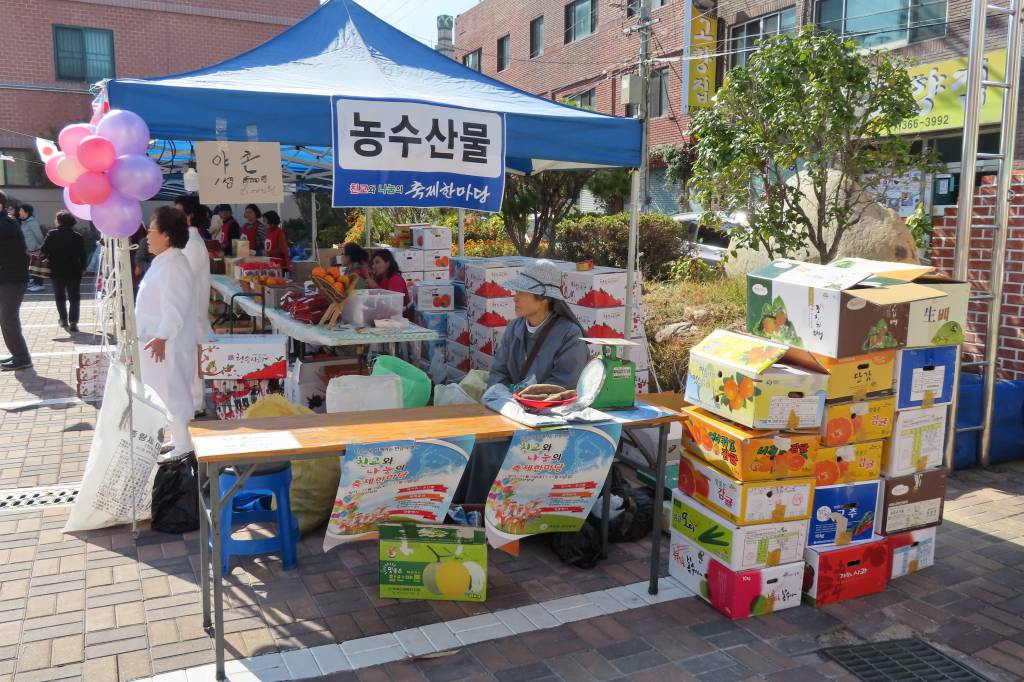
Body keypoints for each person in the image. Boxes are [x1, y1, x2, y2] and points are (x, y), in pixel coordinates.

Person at [455, 261, 590, 503]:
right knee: (470, 440)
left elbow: (562, 387)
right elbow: (499, 371)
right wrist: (506, 400)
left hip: (549, 422)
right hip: (511, 412)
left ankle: (484, 513)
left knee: (488, 450)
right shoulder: (515, 327)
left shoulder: (570, 334)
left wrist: (522, 404)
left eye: (521, 293)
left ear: (544, 299)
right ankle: (468, 509)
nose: (514, 298)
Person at [136, 207, 198, 461]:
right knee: (163, 392)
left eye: (151, 231)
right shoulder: (164, 261)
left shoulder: (174, 265)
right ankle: (177, 439)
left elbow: (175, 307)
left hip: (168, 342)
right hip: (158, 340)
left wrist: (162, 336)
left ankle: (184, 445)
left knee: (174, 392)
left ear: (167, 235)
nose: (147, 237)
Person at [177, 196, 214, 417]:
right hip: (188, 315)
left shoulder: (192, 244)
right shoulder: (187, 242)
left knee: (191, 364)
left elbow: (183, 282)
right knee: (189, 364)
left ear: (189, 216)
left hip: (190, 315)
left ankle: (195, 404)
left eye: (177, 211)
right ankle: (194, 403)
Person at [40, 210, 87, 333]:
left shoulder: (52, 234)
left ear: (59, 221)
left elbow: (44, 251)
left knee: (59, 296)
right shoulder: (77, 236)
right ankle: (73, 322)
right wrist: (83, 268)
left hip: (56, 270)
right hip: (74, 270)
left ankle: (63, 319)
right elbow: (83, 255)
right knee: (74, 297)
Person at [0, 191, 31, 371]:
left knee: (8, 318)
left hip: (12, 279)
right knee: (6, 318)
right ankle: (18, 355)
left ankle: (22, 357)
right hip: (7, 278)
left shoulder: (6, 224)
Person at [18, 205, 46, 292]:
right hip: (30, 249)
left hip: (36, 249)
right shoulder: (25, 222)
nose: (19, 212)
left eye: (21, 210)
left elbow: (39, 236)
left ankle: (39, 285)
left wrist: (41, 247)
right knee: (33, 267)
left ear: (26, 212)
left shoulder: (33, 223)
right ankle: (35, 282)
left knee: (38, 267)